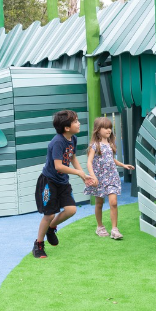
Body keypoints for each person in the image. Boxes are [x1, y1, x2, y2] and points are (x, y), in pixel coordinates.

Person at [32, 110, 96, 259]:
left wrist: (83, 175)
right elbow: (58, 166)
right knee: (49, 214)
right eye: (76, 122)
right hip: (49, 182)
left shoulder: (72, 139)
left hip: (62, 182)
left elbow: (72, 157)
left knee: (71, 210)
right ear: (67, 127)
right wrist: (78, 173)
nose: (79, 123)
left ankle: (51, 228)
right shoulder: (57, 142)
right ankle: (38, 244)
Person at [86, 117, 134, 240]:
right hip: (99, 178)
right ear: (98, 130)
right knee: (99, 203)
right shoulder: (95, 145)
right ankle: (100, 226)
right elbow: (89, 162)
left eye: (110, 128)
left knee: (113, 202)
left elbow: (111, 159)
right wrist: (92, 176)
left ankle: (114, 229)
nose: (109, 130)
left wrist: (123, 165)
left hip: (112, 177)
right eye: (105, 128)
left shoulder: (111, 144)